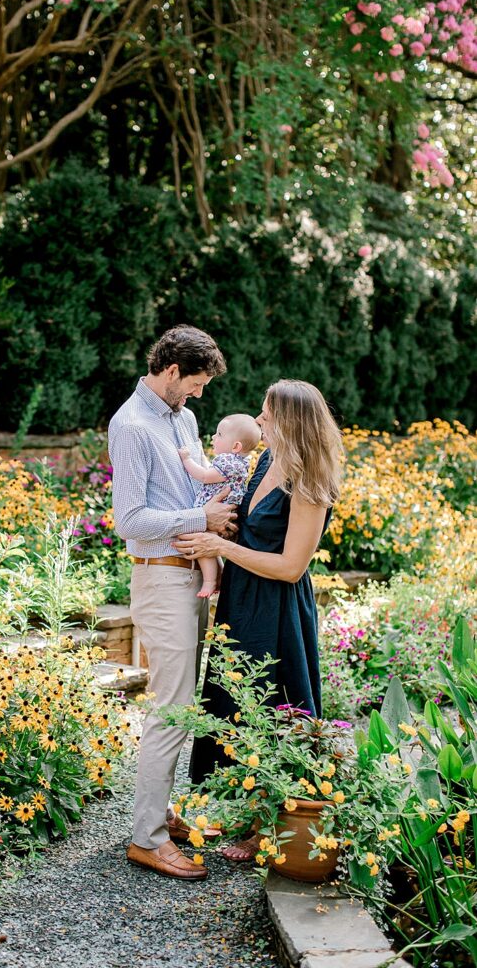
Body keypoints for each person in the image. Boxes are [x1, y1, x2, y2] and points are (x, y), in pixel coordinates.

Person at [173, 379, 343, 861]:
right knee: (236, 700)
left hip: (278, 606)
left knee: (274, 704)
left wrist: (221, 547)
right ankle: (246, 811)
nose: (260, 419)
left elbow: (292, 566)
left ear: (290, 421)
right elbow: (252, 527)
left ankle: (274, 825)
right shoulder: (266, 460)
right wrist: (222, 525)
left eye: (267, 413)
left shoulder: (309, 479)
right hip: (243, 595)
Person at [108, 325, 237, 881]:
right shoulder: (131, 425)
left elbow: (192, 490)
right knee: (172, 707)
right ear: (170, 371)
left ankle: (157, 814)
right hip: (160, 580)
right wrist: (200, 520)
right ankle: (147, 839)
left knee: (182, 702)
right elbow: (129, 521)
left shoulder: (182, 418)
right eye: (197, 383)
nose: (200, 395)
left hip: (192, 578)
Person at [178, 413, 261, 598]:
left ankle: (209, 582)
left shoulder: (228, 461)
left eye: (219, 434)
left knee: (203, 543)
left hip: (218, 510)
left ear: (236, 446)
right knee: (211, 545)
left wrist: (186, 460)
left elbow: (205, 476)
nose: (214, 437)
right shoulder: (239, 462)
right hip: (225, 509)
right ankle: (219, 574)